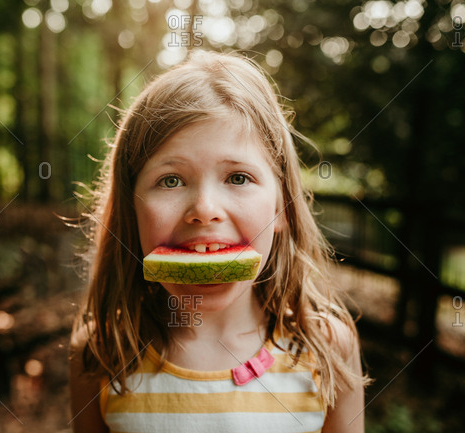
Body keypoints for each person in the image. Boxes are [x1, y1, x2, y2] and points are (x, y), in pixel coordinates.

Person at [69, 50, 369, 433]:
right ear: (131, 212)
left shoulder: (328, 348)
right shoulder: (99, 352)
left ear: (284, 209)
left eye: (238, 178)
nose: (204, 209)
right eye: (171, 180)